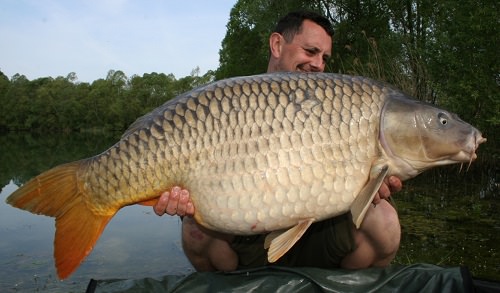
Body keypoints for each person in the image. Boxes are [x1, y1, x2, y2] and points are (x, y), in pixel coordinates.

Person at [154, 11, 402, 272]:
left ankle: (336, 287)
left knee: (385, 223)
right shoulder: (231, 104)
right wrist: (181, 199)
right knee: (195, 231)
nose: (318, 64)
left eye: (324, 57)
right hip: (250, 235)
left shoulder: (337, 105)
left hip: (322, 232)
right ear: (277, 45)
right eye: (310, 51)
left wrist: (372, 184)